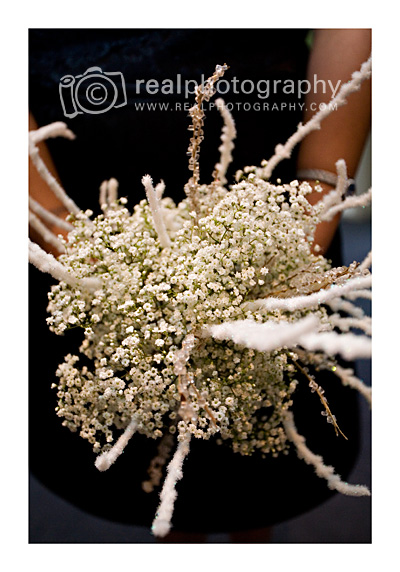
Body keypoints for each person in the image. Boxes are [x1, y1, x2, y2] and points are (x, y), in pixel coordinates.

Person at [29, 28, 371, 543]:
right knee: (144, 437)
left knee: (258, 462)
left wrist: (318, 188)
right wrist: (51, 218)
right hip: (78, 188)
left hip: (270, 186)